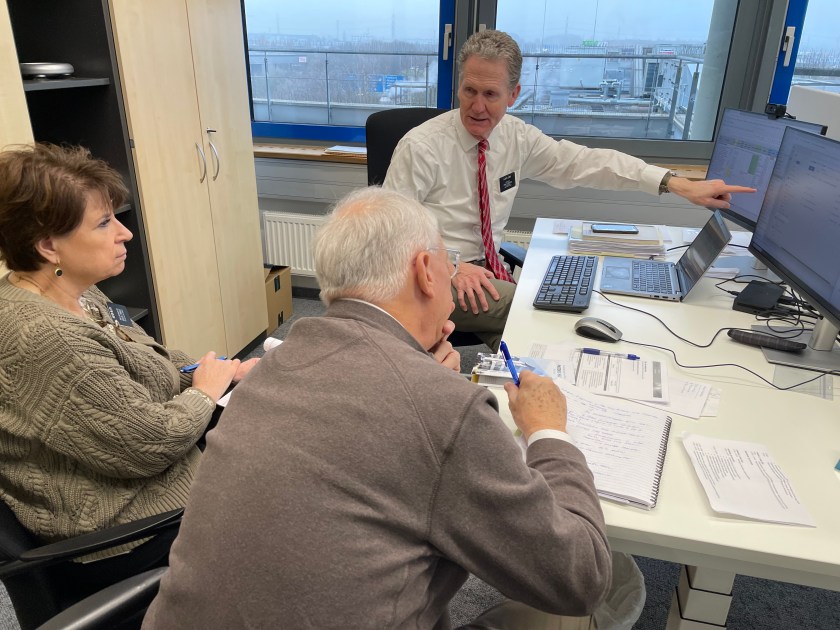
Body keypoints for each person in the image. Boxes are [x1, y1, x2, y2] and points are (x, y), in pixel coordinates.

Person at [142, 187, 611, 630]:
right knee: (606, 587)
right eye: (449, 261)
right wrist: (549, 431)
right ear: (425, 270)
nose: (451, 273)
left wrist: (416, 376)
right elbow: (580, 577)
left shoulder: (268, 370)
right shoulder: (443, 408)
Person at [384, 29, 755, 351]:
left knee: (532, 334)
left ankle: (524, 393)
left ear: (513, 94)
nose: (477, 106)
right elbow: (390, 236)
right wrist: (451, 266)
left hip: (487, 271)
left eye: (490, 94)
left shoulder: (515, 137)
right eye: (469, 91)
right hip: (431, 277)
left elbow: (586, 162)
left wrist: (674, 183)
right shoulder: (421, 147)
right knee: (531, 313)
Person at [0, 143, 257, 589]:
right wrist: (205, 391)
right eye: (104, 223)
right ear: (48, 246)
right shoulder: (49, 337)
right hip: (130, 530)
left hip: (145, 475)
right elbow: (148, 444)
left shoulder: (73, 291)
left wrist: (220, 370)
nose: (125, 234)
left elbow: (145, 356)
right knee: (290, 499)